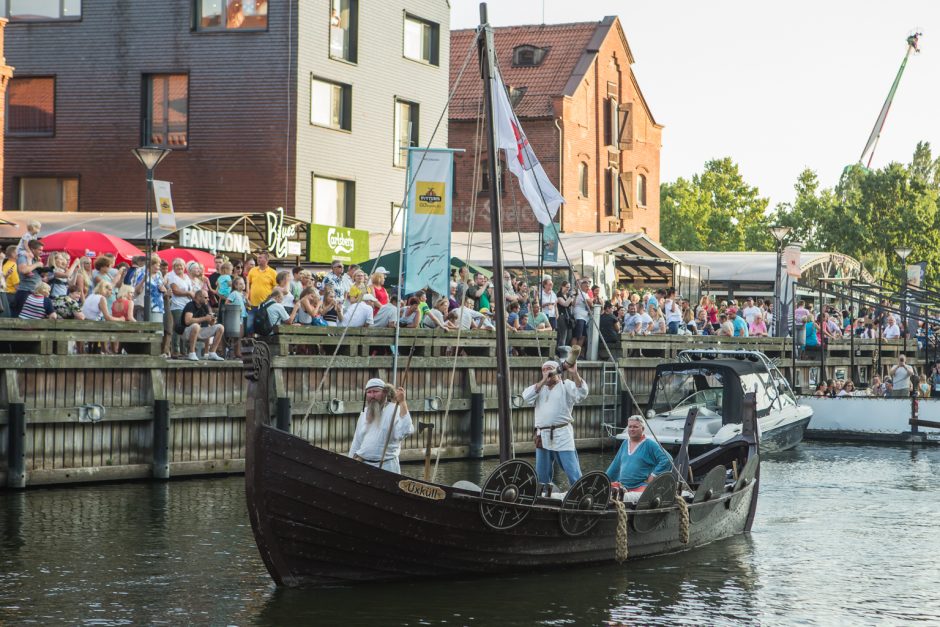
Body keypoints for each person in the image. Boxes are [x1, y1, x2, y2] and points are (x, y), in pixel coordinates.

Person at [521, 359, 589, 487]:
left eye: (550, 369)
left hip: (562, 433)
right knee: (542, 471)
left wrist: (575, 373)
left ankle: (580, 491)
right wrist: (543, 381)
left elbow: (582, 393)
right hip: (542, 434)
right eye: (544, 370)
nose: (546, 372)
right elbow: (526, 397)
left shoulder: (566, 385)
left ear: (558, 371)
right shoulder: (539, 388)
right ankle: (543, 493)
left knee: (571, 468)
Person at [347, 378, 413, 474]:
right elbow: (357, 441)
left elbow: (405, 431)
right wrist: (349, 465)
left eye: (375, 392)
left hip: (387, 466)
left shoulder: (394, 410)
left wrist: (403, 402)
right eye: (369, 392)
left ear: (385, 392)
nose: (372, 395)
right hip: (363, 465)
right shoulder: (365, 413)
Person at [606, 416, 673, 492]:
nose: (632, 429)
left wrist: (654, 475)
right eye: (630, 426)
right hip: (622, 485)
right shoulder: (625, 443)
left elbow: (667, 459)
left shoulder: (650, 444)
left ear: (643, 429)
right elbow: (616, 464)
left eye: (635, 427)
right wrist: (606, 479)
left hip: (641, 486)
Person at [177, 289, 225, 361]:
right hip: (185, 332)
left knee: (220, 327)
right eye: (206, 297)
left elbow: (210, 323)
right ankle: (192, 353)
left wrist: (212, 319)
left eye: (208, 297)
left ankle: (212, 353)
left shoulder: (204, 306)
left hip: (199, 331)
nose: (208, 299)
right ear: (199, 297)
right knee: (196, 326)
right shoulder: (190, 305)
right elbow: (187, 321)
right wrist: (205, 318)